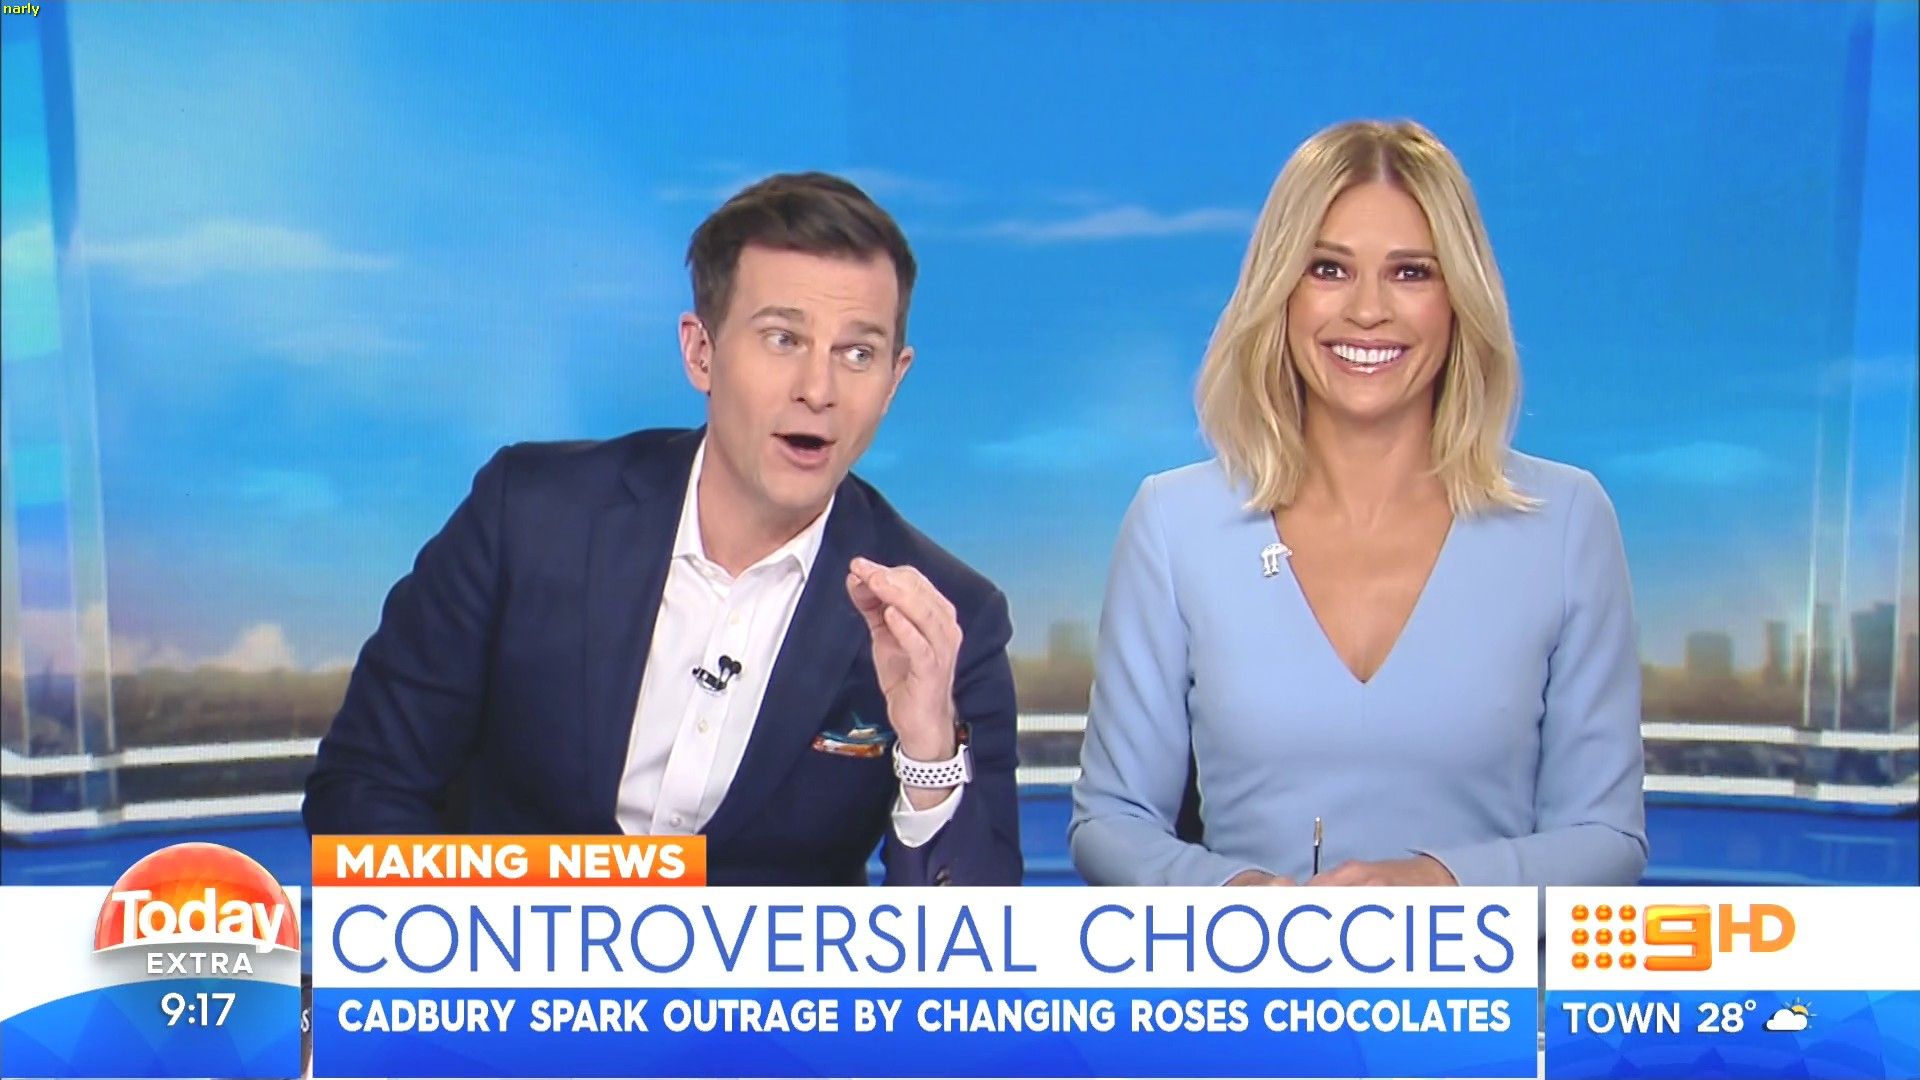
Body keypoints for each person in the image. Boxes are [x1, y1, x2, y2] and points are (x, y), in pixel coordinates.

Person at [305, 173, 1021, 886]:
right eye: (782, 339)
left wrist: (929, 752)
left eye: (857, 354)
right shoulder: (527, 517)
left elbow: (977, 935)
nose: (818, 389)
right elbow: (364, 786)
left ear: (894, 381)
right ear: (701, 352)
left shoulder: (948, 620)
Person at [1069, 120, 1647, 888]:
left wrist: (1432, 887)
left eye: (1411, 272)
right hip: (1245, 963)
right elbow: (1111, 822)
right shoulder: (1175, 524)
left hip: (1483, 969)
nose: (1368, 310)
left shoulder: (1566, 522)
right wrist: (1236, 900)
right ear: (1281, 291)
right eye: (1328, 269)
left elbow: (1606, 837)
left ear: (1459, 298)